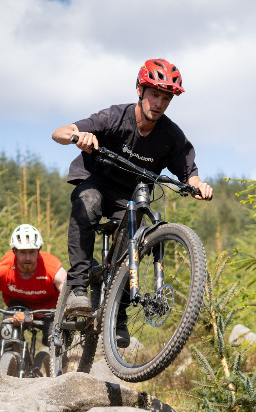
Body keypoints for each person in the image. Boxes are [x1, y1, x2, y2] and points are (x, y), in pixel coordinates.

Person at [51, 57, 213, 330]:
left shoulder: (171, 136)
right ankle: (78, 290)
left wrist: (198, 185)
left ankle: (119, 313)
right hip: (96, 181)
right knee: (88, 202)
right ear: (140, 90)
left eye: (166, 99)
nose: (159, 104)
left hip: (131, 196)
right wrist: (80, 137)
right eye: (154, 95)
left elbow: (189, 174)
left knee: (135, 233)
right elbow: (60, 132)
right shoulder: (115, 117)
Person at [0, 224, 67, 346]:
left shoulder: (52, 269)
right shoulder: (2, 270)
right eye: (23, 252)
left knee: (54, 342)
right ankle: (12, 359)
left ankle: (63, 363)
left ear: (39, 250)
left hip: (51, 309)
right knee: (7, 332)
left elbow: (68, 293)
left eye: (32, 252)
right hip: (19, 307)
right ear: (14, 251)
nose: (28, 257)